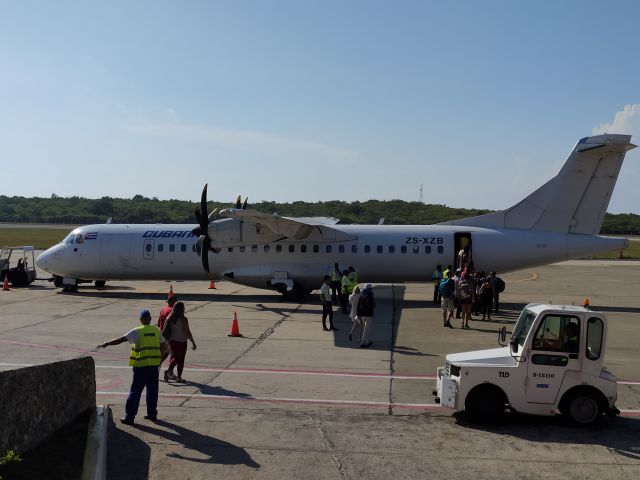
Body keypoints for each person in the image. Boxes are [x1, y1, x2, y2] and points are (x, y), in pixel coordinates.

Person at [97, 309, 168, 425]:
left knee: (135, 392)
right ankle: (152, 415)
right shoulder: (157, 330)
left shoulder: (137, 331)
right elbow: (164, 347)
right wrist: (158, 361)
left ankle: (130, 417)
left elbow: (121, 340)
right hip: (153, 367)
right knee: (152, 391)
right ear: (150, 319)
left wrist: (107, 343)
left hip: (141, 367)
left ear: (141, 320)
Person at [163, 301, 197, 383]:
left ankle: (177, 376)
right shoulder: (183, 319)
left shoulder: (169, 318)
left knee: (176, 358)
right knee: (180, 359)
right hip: (182, 341)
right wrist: (193, 342)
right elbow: (187, 331)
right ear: (181, 309)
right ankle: (170, 372)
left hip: (173, 341)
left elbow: (165, 329)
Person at [357, 284, 375, 348]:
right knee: (366, 329)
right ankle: (362, 343)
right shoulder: (370, 295)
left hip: (362, 314)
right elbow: (371, 304)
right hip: (368, 314)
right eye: (371, 288)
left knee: (365, 328)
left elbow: (358, 306)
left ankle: (368, 341)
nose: (371, 289)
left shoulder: (361, 295)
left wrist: (358, 314)